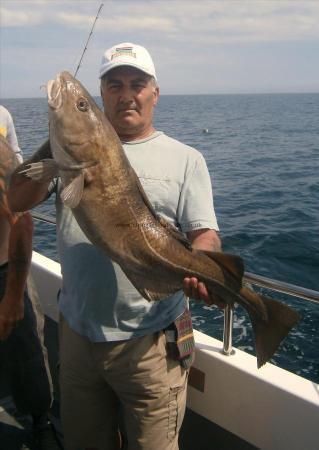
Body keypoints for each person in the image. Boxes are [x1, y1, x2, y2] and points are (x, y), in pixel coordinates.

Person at [8, 42, 221, 450]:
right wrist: (57, 142)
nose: (127, 94)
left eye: (137, 84)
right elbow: (16, 200)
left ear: (154, 93)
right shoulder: (66, 157)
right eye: (114, 85)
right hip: (78, 337)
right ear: (104, 93)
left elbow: (203, 234)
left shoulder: (186, 159)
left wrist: (205, 264)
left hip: (150, 345)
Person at [0, 113, 62, 450]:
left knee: (27, 355)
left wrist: (12, 296)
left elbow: (19, 214)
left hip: (4, 268)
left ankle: (41, 424)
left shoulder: (2, 120)